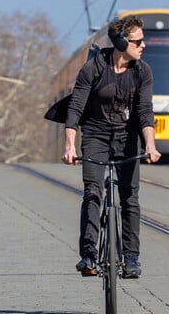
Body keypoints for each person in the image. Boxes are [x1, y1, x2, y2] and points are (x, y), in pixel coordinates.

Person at [62, 15, 162, 279]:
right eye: (137, 41)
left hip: (127, 138)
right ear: (120, 42)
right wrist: (70, 146)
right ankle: (89, 255)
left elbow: (145, 112)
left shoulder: (143, 72)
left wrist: (150, 145)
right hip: (95, 135)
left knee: (130, 198)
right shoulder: (93, 68)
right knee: (93, 192)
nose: (143, 45)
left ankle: (131, 258)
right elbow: (75, 108)